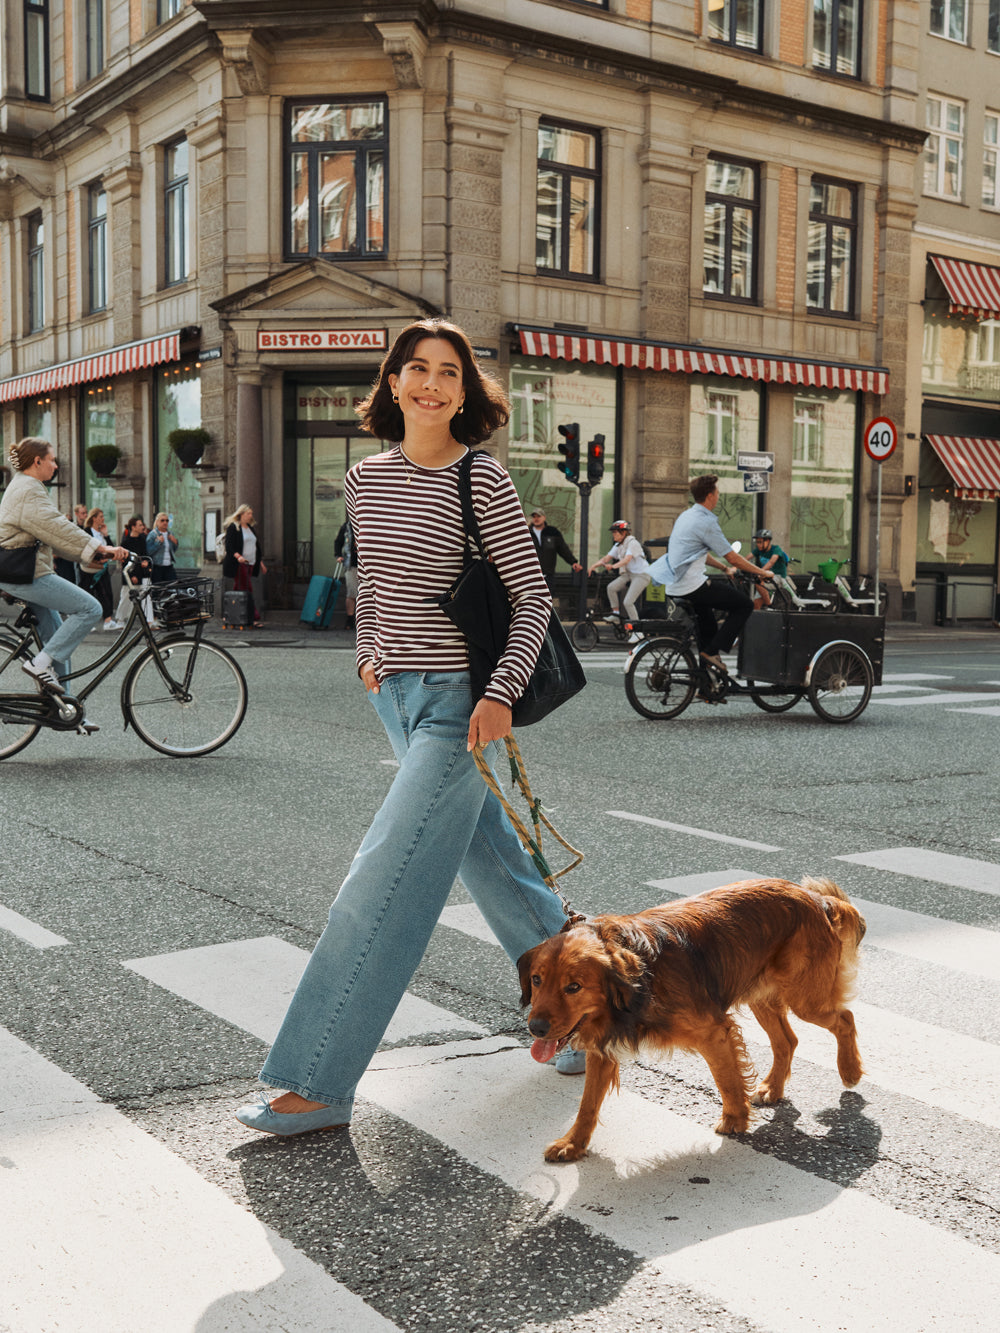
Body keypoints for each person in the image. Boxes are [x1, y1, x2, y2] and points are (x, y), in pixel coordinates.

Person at [235, 317, 584, 1139]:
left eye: (449, 373)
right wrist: (368, 656)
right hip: (396, 698)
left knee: (379, 883)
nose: (431, 383)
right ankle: (583, 1012)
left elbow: (532, 600)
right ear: (392, 382)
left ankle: (316, 1078)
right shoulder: (366, 477)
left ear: (464, 393)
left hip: (462, 706)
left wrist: (497, 694)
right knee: (494, 859)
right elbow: (371, 577)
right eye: (417, 369)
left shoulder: (483, 480)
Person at [0, 438, 127, 724]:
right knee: (91, 609)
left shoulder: (26, 486)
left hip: (25, 571)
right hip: (25, 574)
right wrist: (97, 548)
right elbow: (56, 526)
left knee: (57, 636)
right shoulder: (28, 490)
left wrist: (90, 555)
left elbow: (51, 535)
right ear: (38, 462)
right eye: (53, 460)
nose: (56, 465)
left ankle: (64, 711)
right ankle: (39, 664)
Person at [651, 474, 771, 671]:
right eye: (717, 492)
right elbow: (733, 557)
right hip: (692, 585)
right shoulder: (706, 522)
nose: (718, 496)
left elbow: (700, 554)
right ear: (709, 496)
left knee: (708, 626)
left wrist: (724, 568)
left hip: (675, 585)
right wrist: (763, 573)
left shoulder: (686, 516)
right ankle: (713, 652)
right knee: (744, 605)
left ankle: (706, 683)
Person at [589, 520, 650, 643]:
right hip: (629, 574)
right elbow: (607, 558)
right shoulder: (619, 545)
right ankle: (615, 614)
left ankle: (638, 632)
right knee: (611, 587)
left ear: (623, 533)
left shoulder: (632, 543)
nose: (613, 535)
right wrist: (593, 566)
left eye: (615, 532)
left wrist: (613, 567)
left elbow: (627, 560)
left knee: (628, 602)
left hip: (641, 575)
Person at [222, 504, 267, 627]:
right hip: (239, 564)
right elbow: (229, 546)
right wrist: (238, 557)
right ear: (241, 514)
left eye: (251, 514)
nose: (250, 516)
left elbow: (256, 547)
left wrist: (261, 563)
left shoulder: (250, 528)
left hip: (251, 563)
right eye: (248, 513)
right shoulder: (234, 527)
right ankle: (252, 617)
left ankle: (231, 614)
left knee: (238, 590)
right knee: (246, 589)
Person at [82, 507, 120, 631]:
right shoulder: (87, 531)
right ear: (94, 518)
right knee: (89, 594)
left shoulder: (101, 533)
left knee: (106, 593)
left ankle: (108, 620)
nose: (103, 519)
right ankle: (88, 622)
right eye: (101, 517)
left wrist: (106, 535)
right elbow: (87, 549)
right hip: (90, 569)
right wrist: (99, 558)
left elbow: (111, 548)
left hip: (103, 568)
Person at [119, 516, 155, 625]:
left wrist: (146, 562)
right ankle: (121, 619)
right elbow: (124, 561)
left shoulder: (143, 539)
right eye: (140, 525)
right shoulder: (126, 542)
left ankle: (149, 620)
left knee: (147, 596)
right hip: (131, 574)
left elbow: (145, 554)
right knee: (125, 597)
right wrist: (131, 575)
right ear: (133, 527)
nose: (142, 527)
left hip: (143, 573)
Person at [750, 528, 790, 609]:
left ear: (767, 541)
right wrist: (734, 567)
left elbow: (771, 562)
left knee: (758, 582)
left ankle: (769, 605)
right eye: (757, 542)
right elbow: (746, 558)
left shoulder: (776, 549)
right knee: (755, 606)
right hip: (764, 577)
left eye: (760, 542)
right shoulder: (759, 550)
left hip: (778, 577)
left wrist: (759, 572)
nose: (758, 544)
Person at [334, 519, 358, 631]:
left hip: (367, 566)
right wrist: (338, 555)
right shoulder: (347, 526)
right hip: (351, 565)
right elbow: (338, 541)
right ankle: (350, 619)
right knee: (352, 593)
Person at [146, 512, 178, 583]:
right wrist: (158, 542)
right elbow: (149, 551)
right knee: (158, 590)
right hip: (157, 566)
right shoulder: (152, 535)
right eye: (162, 520)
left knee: (173, 587)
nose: (165, 522)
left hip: (169, 566)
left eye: (167, 520)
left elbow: (173, 550)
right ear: (157, 522)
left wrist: (175, 542)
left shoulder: (170, 534)